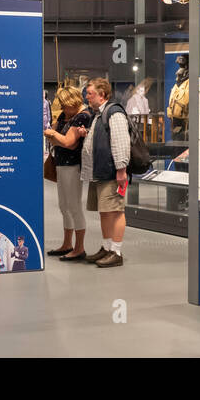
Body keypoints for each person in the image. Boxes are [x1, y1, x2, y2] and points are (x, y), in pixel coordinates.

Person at [81, 78, 131, 268]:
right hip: (100, 173)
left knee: (116, 211)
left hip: (112, 173)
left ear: (102, 95)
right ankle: (107, 247)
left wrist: (121, 169)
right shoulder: (99, 114)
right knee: (105, 211)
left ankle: (116, 252)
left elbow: (120, 142)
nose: (87, 97)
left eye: (90, 93)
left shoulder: (114, 112)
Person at [45, 86, 92, 260]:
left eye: (65, 105)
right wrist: (59, 139)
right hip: (62, 164)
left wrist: (54, 136)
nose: (63, 109)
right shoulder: (68, 116)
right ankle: (67, 243)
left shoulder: (83, 116)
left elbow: (68, 142)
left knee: (74, 206)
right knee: (64, 205)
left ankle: (79, 247)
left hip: (74, 166)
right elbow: (63, 140)